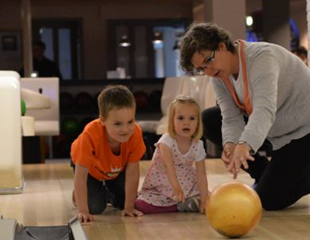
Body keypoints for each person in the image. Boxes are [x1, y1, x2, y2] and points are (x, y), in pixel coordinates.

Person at [179, 22, 310, 211]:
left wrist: (244, 145)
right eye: (201, 69)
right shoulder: (218, 76)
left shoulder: (262, 58)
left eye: (208, 61)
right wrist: (230, 144)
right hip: (277, 127)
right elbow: (230, 117)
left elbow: (264, 110)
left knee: (270, 200)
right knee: (209, 119)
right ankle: (264, 175)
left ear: (222, 46)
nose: (208, 71)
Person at [70, 85, 146, 222]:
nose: (126, 129)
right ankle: (81, 194)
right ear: (103, 121)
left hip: (115, 169)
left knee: (126, 202)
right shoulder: (90, 135)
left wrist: (129, 207)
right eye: (117, 124)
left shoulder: (135, 133)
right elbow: (81, 175)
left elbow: (133, 172)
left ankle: (108, 192)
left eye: (130, 121)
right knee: (95, 208)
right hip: (90, 171)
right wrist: (83, 211)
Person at [135, 96, 209, 214]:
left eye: (192, 118)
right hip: (163, 183)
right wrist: (176, 188)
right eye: (180, 118)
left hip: (187, 182)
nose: (186, 123)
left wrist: (204, 200)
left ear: (198, 123)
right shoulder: (166, 141)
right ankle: (179, 206)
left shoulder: (198, 145)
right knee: (140, 205)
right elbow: (168, 166)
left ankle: (187, 203)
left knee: (211, 199)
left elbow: (201, 174)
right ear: (172, 122)